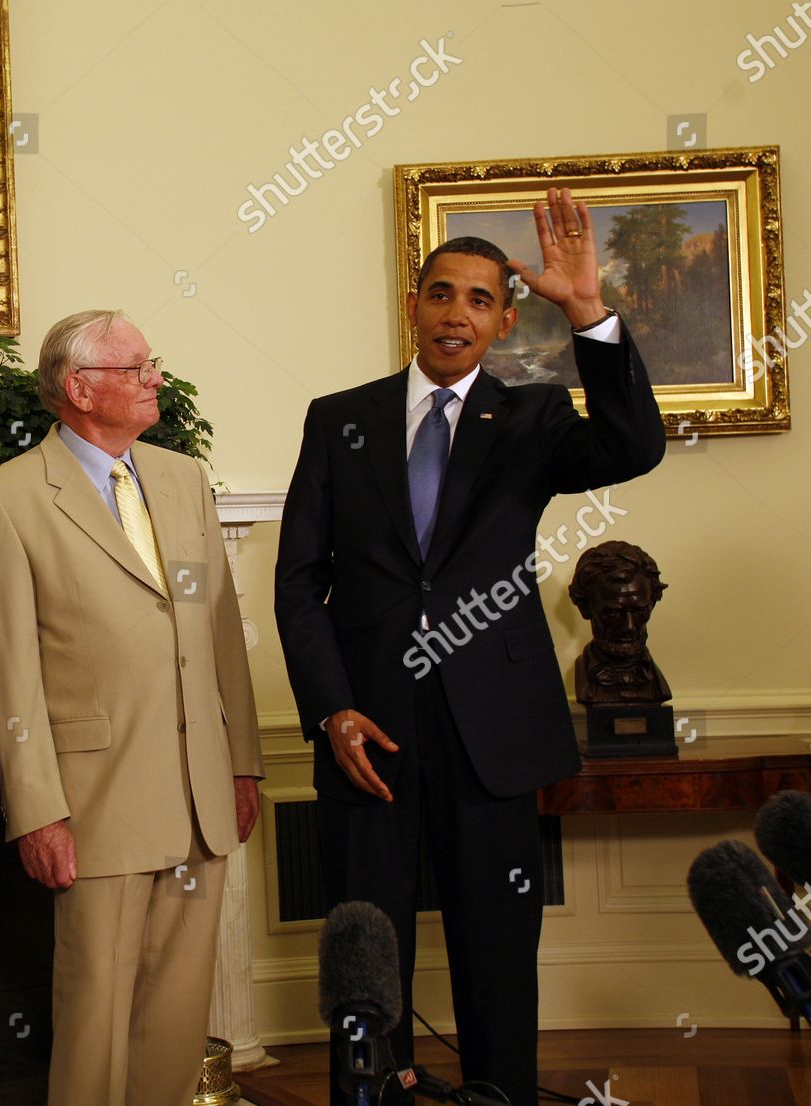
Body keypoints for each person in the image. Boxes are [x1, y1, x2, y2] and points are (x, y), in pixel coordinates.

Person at [275, 188, 667, 1106]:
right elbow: (300, 581)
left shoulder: (531, 420)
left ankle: (501, 1096)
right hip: (367, 726)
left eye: (480, 300)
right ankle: (372, 1096)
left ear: (503, 318)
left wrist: (587, 312)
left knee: (497, 944)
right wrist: (331, 707)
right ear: (414, 305)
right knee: (366, 946)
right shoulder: (340, 418)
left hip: (493, 726)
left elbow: (637, 444)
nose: (457, 314)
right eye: (441, 294)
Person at [0, 309, 264, 1106]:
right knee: (94, 1020)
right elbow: (5, 673)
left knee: (173, 1019)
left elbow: (218, 633)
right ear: (79, 388)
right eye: (135, 369)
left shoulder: (182, 478)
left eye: (150, 364)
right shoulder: (5, 500)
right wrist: (35, 813)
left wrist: (241, 765)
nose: (154, 377)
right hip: (91, 806)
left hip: (200, 795)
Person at [569, 540, 670, 705]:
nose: (629, 626)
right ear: (585, 608)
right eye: (614, 613)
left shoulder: (656, 682)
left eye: (639, 611)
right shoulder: (584, 676)